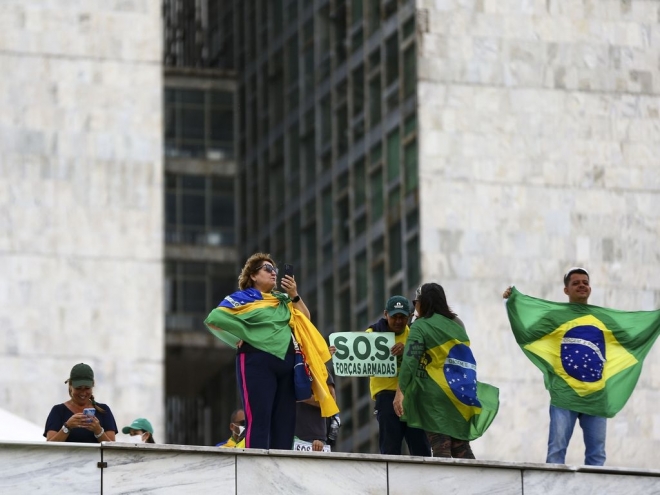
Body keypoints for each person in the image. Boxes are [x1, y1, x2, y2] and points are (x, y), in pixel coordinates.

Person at [205, 253, 338, 450]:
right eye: (267, 269)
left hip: (287, 363)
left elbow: (305, 318)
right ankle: (256, 468)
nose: (273, 273)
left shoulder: (282, 299)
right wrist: (237, 338)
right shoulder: (242, 298)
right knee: (259, 418)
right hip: (256, 360)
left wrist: (294, 294)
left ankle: (279, 469)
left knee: (285, 422)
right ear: (253, 276)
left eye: (274, 270)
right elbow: (215, 318)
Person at [503, 267, 606, 466]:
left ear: (590, 288)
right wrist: (513, 303)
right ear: (566, 290)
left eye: (585, 282)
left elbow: (630, 336)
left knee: (597, 456)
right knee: (556, 451)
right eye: (576, 283)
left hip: (596, 396)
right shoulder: (555, 317)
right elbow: (527, 334)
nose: (582, 285)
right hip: (564, 394)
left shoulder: (603, 318)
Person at [395, 284, 476, 458]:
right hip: (460, 391)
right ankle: (476, 483)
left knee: (441, 446)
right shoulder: (457, 323)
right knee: (460, 447)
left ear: (423, 303)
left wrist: (400, 392)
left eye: (415, 302)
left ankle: (443, 485)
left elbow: (411, 361)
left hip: (434, 394)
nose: (414, 306)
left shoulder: (420, 326)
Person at [366, 295, 431, 456]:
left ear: (409, 316)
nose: (398, 321)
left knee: (421, 448)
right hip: (386, 396)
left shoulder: (414, 335)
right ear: (385, 314)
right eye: (395, 317)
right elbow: (356, 355)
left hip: (413, 395)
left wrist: (407, 350)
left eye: (403, 317)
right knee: (390, 447)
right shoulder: (372, 333)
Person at [44, 363, 117, 443]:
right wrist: (67, 427)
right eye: (78, 388)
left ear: (93, 385)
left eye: (87, 388)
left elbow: (111, 448)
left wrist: (98, 430)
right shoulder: (58, 411)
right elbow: (50, 446)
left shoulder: (103, 410)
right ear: (70, 386)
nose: (83, 393)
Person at [294, 367, 336, 451]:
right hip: (285, 435)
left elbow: (331, 401)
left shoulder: (319, 366)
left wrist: (300, 397)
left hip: (313, 439)